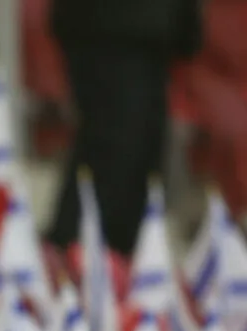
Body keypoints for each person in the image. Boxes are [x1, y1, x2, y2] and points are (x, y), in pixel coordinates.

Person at [46, 0, 203, 255]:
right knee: (114, 153)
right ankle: (73, 264)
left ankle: (119, 265)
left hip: (153, 31)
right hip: (109, 27)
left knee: (140, 161)